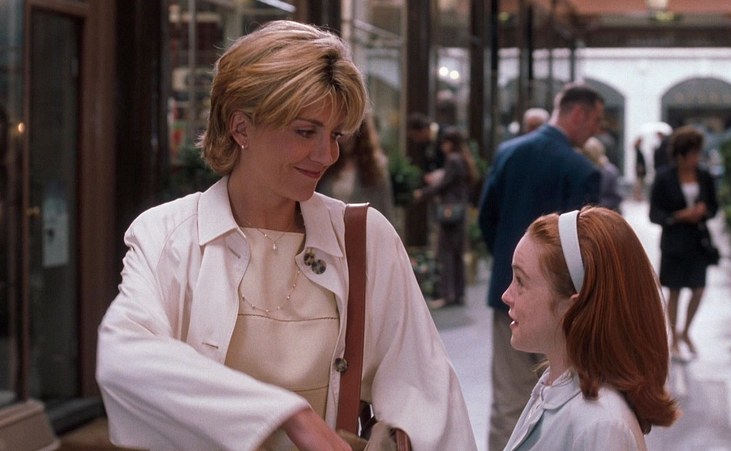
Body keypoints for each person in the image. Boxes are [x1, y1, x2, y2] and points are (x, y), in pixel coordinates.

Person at [96, 20, 476, 450]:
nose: (326, 154)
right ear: (241, 128)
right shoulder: (167, 235)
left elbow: (428, 395)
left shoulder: (365, 239)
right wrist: (288, 414)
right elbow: (124, 356)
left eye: (335, 135)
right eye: (305, 131)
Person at [478, 83, 603, 451]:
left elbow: (487, 218)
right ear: (577, 114)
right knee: (569, 397)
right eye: (595, 120)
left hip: (510, 297)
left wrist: (515, 273)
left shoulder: (509, 153)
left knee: (508, 401)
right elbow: (590, 247)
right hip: (565, 304)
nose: (596, 129)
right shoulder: (581, 169)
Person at [502, 207, 680, 450]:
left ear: (573, 306)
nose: (506, 295)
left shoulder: (601, 424)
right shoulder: (555, 387)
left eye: (521, 281)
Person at [649, 125, 719, 362]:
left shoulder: (704, 176)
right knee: (675, 290)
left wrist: (703, 212)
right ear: (681, 154)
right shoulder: (664, 177)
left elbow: (714, 206)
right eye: (692, 154)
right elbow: (654, 214)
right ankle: (674, 339)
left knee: (699, 288)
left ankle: (686, 330)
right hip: (674, 240)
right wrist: (678, 216)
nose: (695, 159)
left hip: (698, 239)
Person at [413, 127, 478, 309]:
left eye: (445, 143)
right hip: (459, 210)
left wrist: (422, 193)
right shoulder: (463, 159)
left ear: (450, 143)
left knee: (446, 252)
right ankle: (458, 292)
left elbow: (443, 184)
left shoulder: (453, 159)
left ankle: (447, 294)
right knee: (456, 252)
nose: (442, 146)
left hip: (450, 211)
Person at [317, 113, 395, 220]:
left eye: (348, 122)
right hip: (327, 226)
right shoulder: (325, 161)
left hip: (363, 228)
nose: (343, 129)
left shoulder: (373, 167)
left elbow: (386, 210)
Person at [581, 136, 623, 214]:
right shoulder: (585, 170)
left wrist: (596, 205)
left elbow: (616, 197)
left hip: (606, 213)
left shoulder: (609, 171)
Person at [632, 136, 647, 200]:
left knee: (639, 183)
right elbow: (639, 161)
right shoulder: (638, 151)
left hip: (640, 168)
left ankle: (637, 196)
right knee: (639, 183)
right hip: (640, 169)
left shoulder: (638, 150)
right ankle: (637, 196)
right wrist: (640, 167)